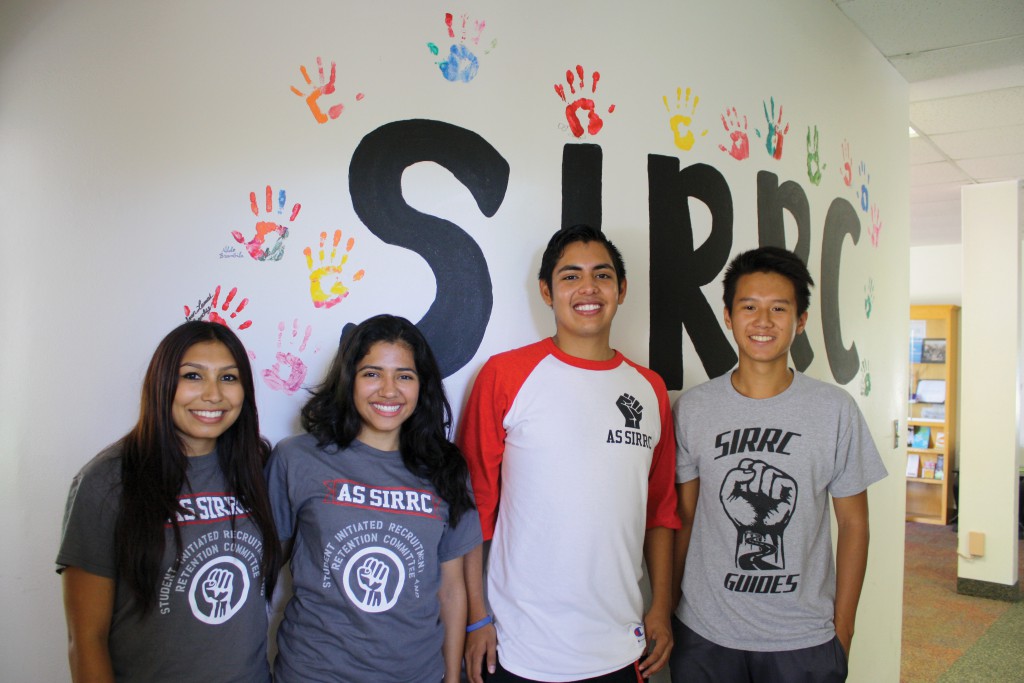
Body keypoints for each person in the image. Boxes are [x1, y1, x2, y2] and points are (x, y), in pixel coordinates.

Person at [459, 224, 680, 682]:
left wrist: (661, 607)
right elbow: (471, 508)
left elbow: (660, 511)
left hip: (621, 647)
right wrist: (477, 617)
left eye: (602, 275)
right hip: (519, 648)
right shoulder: (504, 376)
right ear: (546, 291)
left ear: (621, 289)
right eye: (570, 276)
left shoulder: (650, 389)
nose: (588, 288)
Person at [670, 246, 888, 682]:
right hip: (706, 635)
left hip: (804, 639)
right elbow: (685, 517)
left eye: (779, 308)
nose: (763, 321)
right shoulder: (694, 409)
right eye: (749, 307)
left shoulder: (835, 410)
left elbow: (854, 524)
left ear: (800, 320)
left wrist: (842, 632)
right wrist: (669, 611)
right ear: (728, 316)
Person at [56, 321, 282, 683]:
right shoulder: (108, 480)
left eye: (228, 378)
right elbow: (85, 639)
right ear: (162, 384)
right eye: (193, 376)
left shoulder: (259, 468)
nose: (213, 395)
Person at [267, 314, 481, 683]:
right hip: (314, 673)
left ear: (422, 386)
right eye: (372, 374)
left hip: (416, 675)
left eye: (404, 376)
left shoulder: (446, 469)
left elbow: (450, 589)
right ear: (348, 379)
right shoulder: (296, 458)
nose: (388, 390)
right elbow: (263, 572)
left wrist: (450, 678)